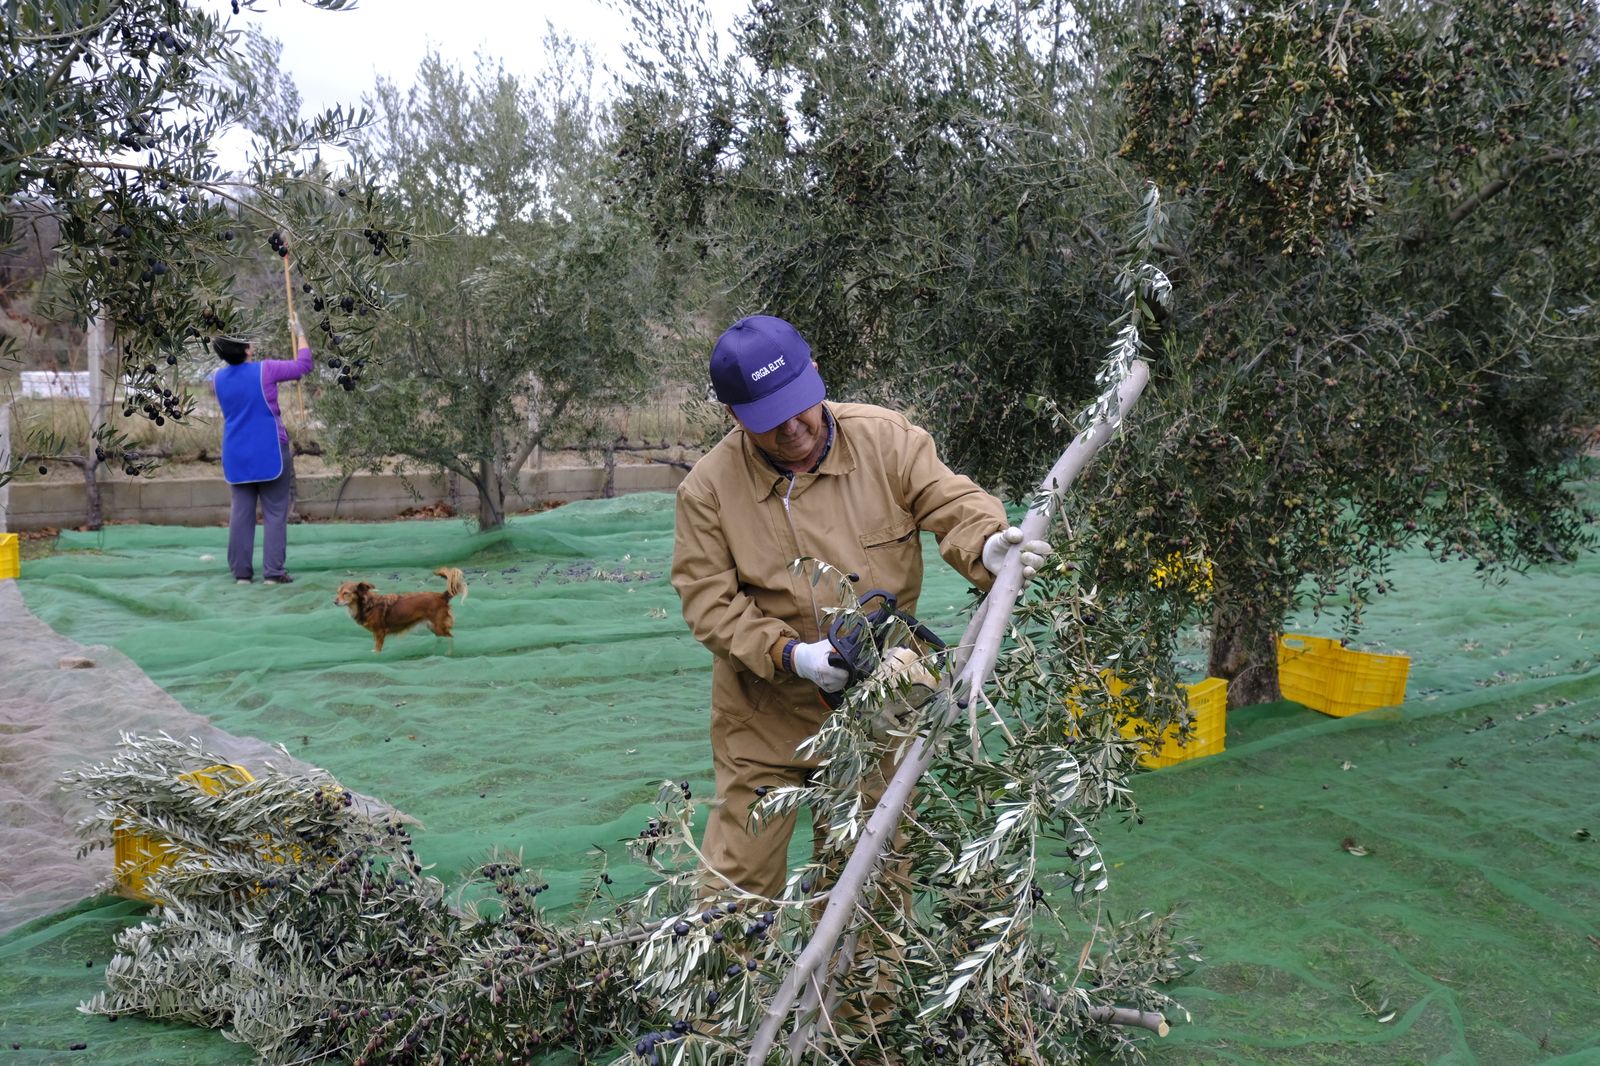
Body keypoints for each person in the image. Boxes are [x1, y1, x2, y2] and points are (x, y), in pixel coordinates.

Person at [671, 314, 1050, 899]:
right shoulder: (708, 490)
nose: (793, 428)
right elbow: (708, 602)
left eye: (800, 404)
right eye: (770, 421)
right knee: (734, 890)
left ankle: (851, 992)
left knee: (869, 885)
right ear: (735, 418)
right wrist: (792, 654)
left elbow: (953, 502)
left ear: (816, 376)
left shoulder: (885, 439)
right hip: (764, 716)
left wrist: (987, 545)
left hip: (880, 707)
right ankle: (734, 986)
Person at [211, 318, 312, 585]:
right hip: (269, 450)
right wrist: (300, 335)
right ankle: (273, 573)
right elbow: (304, 366)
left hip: (235, 453)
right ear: (245, 349)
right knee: (276, 512)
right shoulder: (265, 370)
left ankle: (241, 574)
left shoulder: (217, 379)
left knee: (241, 514)